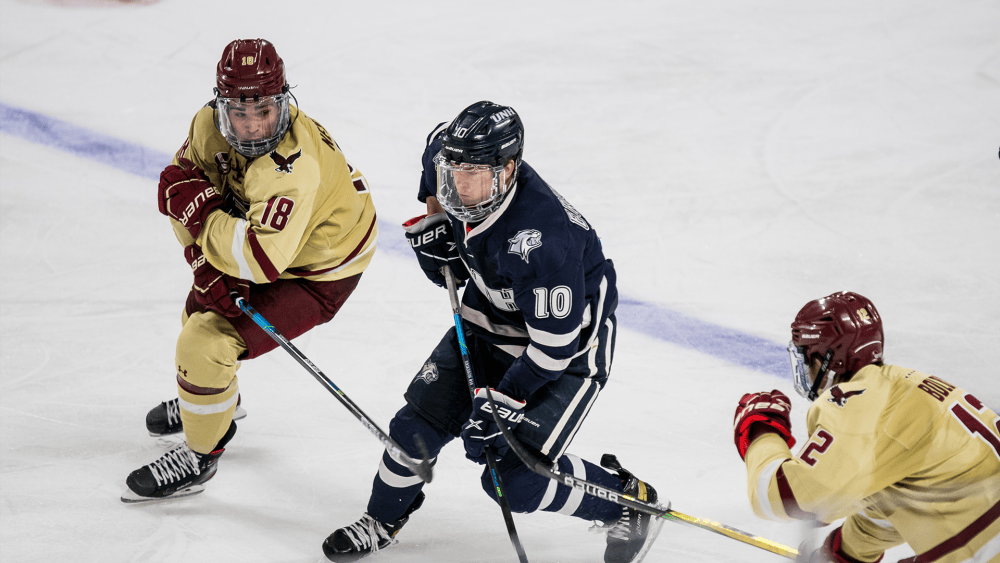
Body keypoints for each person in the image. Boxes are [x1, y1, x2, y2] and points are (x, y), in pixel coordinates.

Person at [321, 101, 665, 563]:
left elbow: (554, 348)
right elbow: (434, 178)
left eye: (474, 176)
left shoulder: (542, 241)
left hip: (566, 347)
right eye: (454, 173)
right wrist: (436, 220)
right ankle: (382, 520)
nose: (460, 187)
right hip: (489, 318)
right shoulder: (448, 153)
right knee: (413, 429)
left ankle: (625, 502)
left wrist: (506, 397)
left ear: (508, 169)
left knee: (514, 478)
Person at [121, 39, 378, 502]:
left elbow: (259, 261)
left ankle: (201, 456)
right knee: (195, 316)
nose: (254, 126)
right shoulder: (206, 126)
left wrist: (203, 224)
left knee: (205, 342)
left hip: (321, 268)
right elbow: (179, 187)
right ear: (221, 106)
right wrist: (201, 258)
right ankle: (219, 405)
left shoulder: (291, 169)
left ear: (282, 101)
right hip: (267, 243)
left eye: (264, 110)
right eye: (240, 113)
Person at [733, 292, 1000, 563]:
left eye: (807, 360)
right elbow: (896, 500)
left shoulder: (860, 402)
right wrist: (846, 553)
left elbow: (788, 497)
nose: (806, 372)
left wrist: (761, 430)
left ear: (826, 360)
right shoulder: (904, 388)